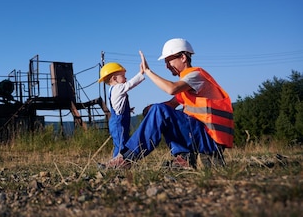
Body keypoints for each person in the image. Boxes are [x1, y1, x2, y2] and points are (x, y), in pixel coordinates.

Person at [106, 38, 234, 169]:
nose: (166, 66)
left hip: (210, 138)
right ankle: (185, 159)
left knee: (159, 110)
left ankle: (127, 158)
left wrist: (148, 72)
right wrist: (151, 109)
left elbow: (171, 89)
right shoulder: (186, 81)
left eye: (169, 61)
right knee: (161, 111)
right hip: (205, 135)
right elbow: (171, 105)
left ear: (183, 57)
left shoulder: (195, 76)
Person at [98, 62, 145, 158]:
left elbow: (118, 105)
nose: (126, 78)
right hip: (118, 122)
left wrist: (127, 110)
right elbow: (130, 84)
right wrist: (141, 73)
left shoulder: (113, 89)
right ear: (114, 79)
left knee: (122, 142)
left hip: (117, 121)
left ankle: (122, 161)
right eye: (123, 76)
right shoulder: (118, 87)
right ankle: (117, 162)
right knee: (121, 144)